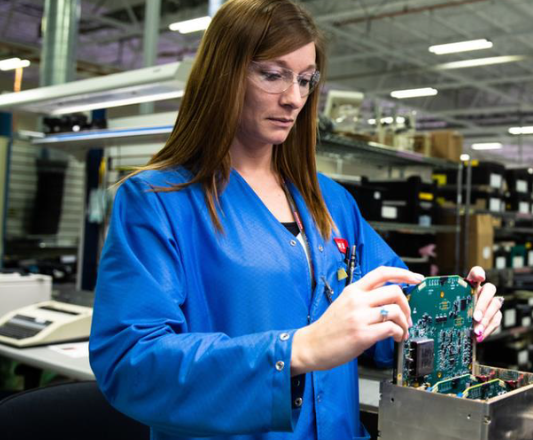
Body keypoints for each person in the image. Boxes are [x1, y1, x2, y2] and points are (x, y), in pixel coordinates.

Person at [88, 1, 503, 439]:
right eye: (273, 75)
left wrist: (457, 310)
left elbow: (394, 313)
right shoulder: (159, 201)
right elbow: (131, 363)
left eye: (305, 80)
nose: (294, 98)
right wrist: (297, 349)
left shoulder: (332, 204)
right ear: (224, 73)